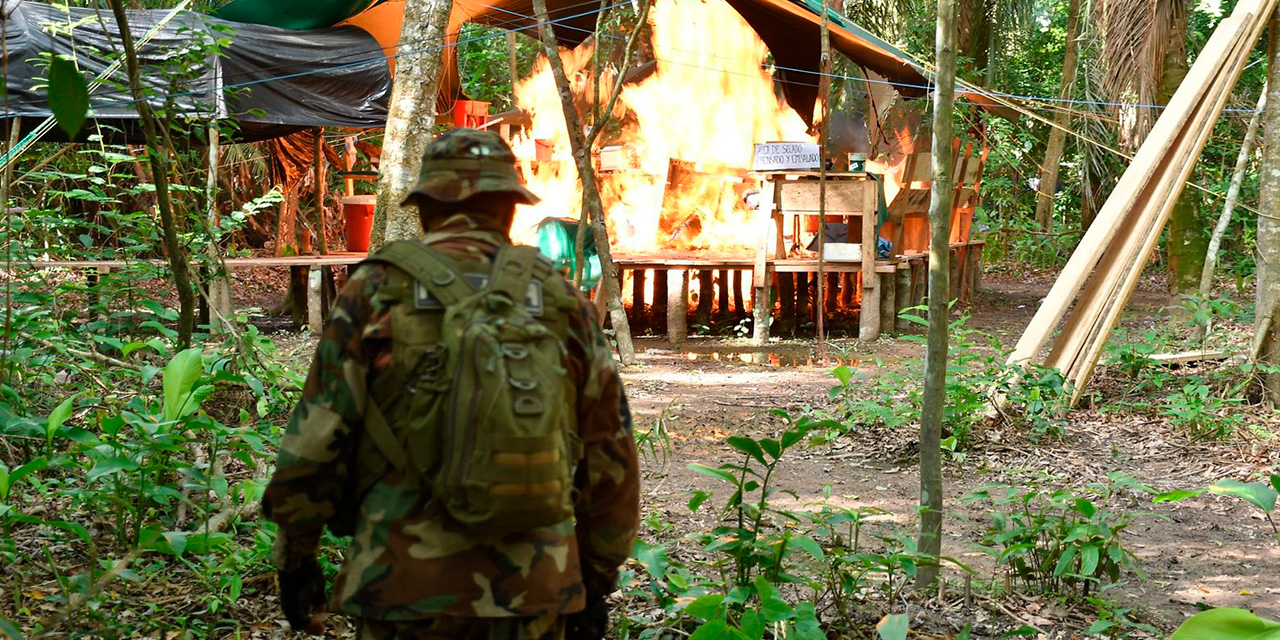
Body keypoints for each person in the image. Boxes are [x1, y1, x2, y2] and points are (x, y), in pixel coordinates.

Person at [263, 128, 640, 640]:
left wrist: (296, 557)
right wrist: (594, 580)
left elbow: (317, 435)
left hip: (399, 582)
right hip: (534, 587)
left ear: (424, 208)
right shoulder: (559, 296)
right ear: (510, 208)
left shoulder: (375, 289)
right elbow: (609, 450)